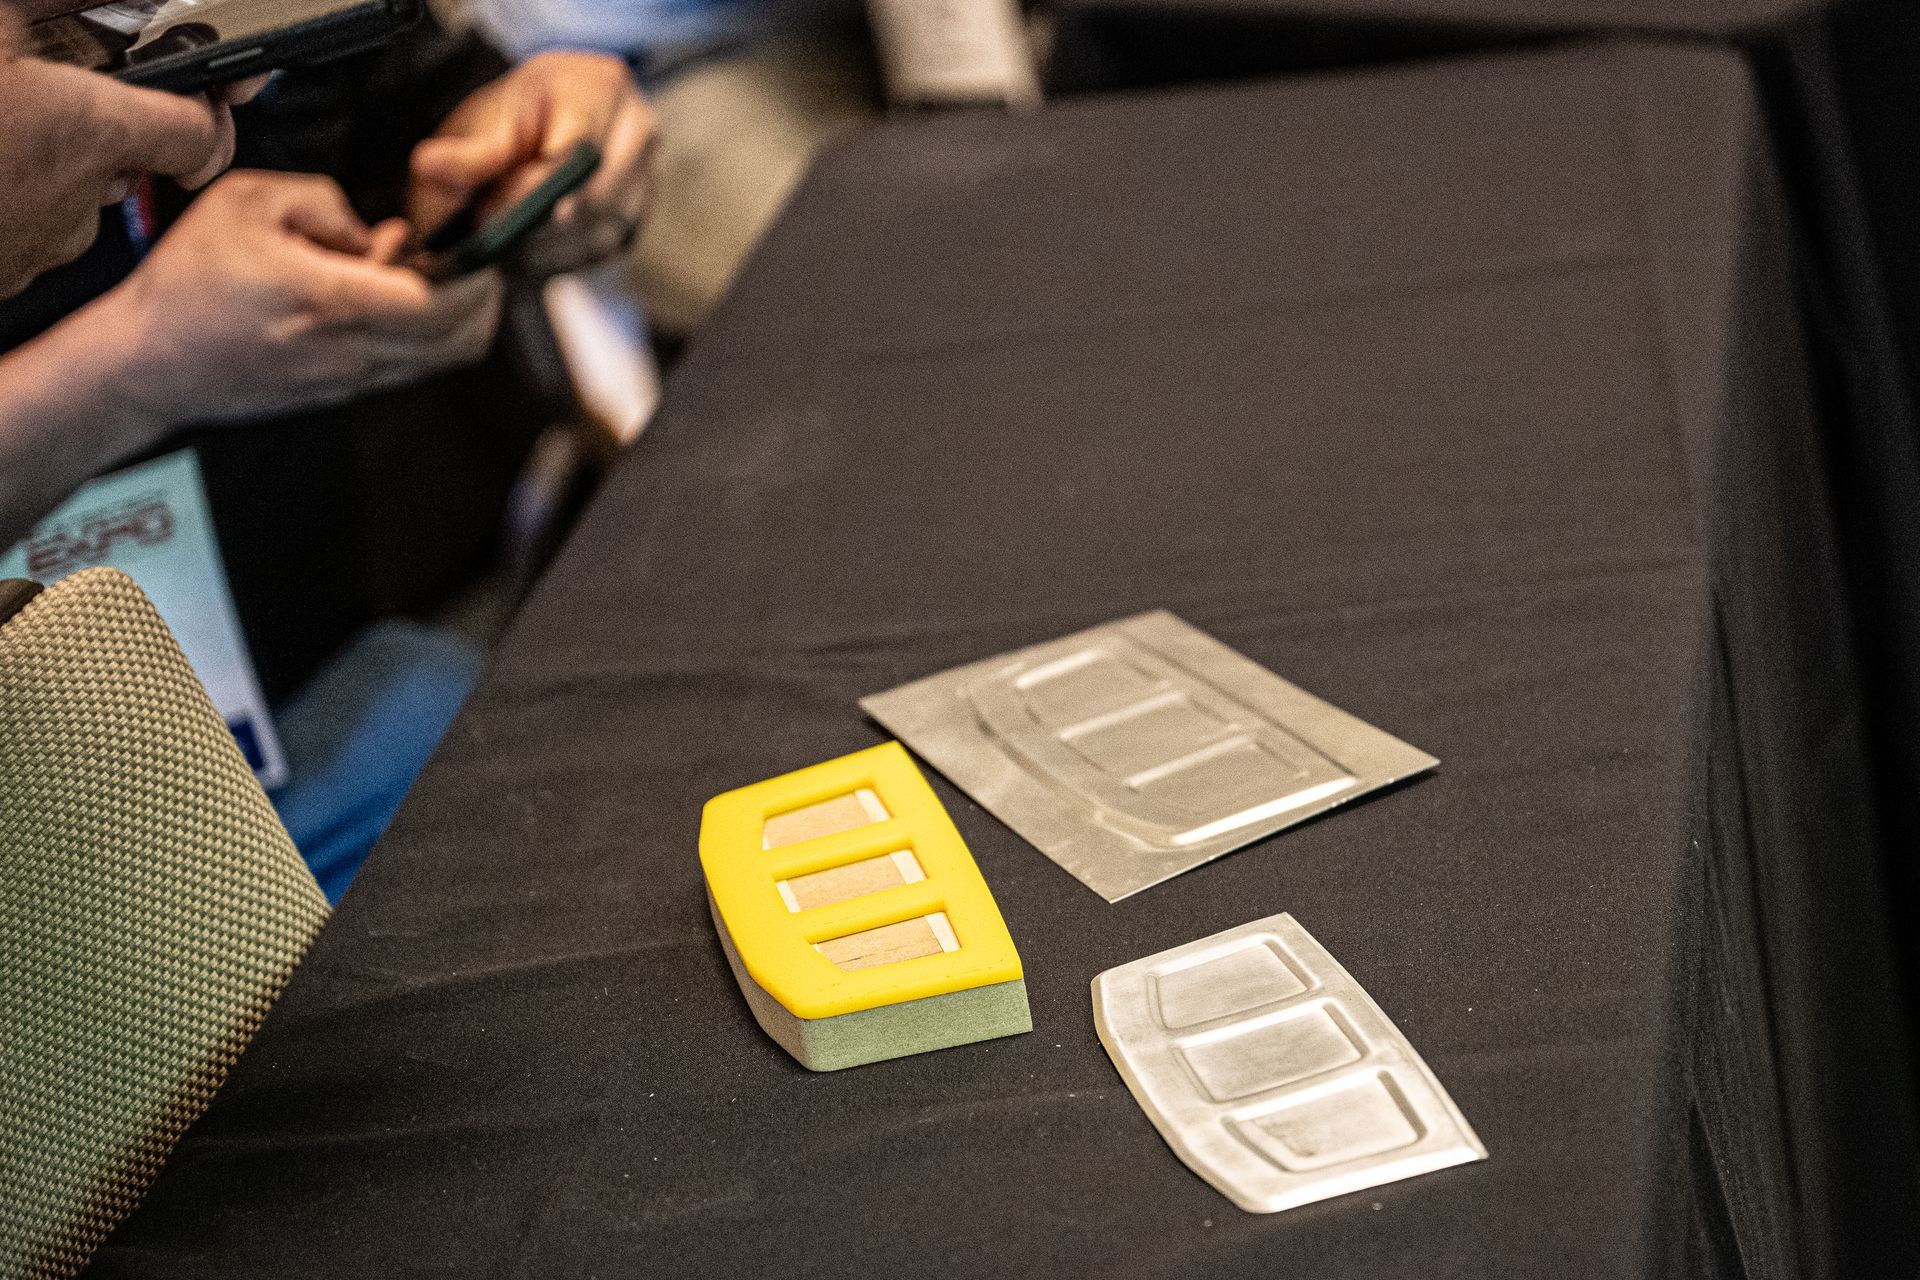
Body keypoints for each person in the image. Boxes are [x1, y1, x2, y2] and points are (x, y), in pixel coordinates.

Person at [0, 23, 655, 897]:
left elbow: (430, 101)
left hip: (304, 693)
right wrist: (130, 369)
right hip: (39, 812)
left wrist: (533, 146)